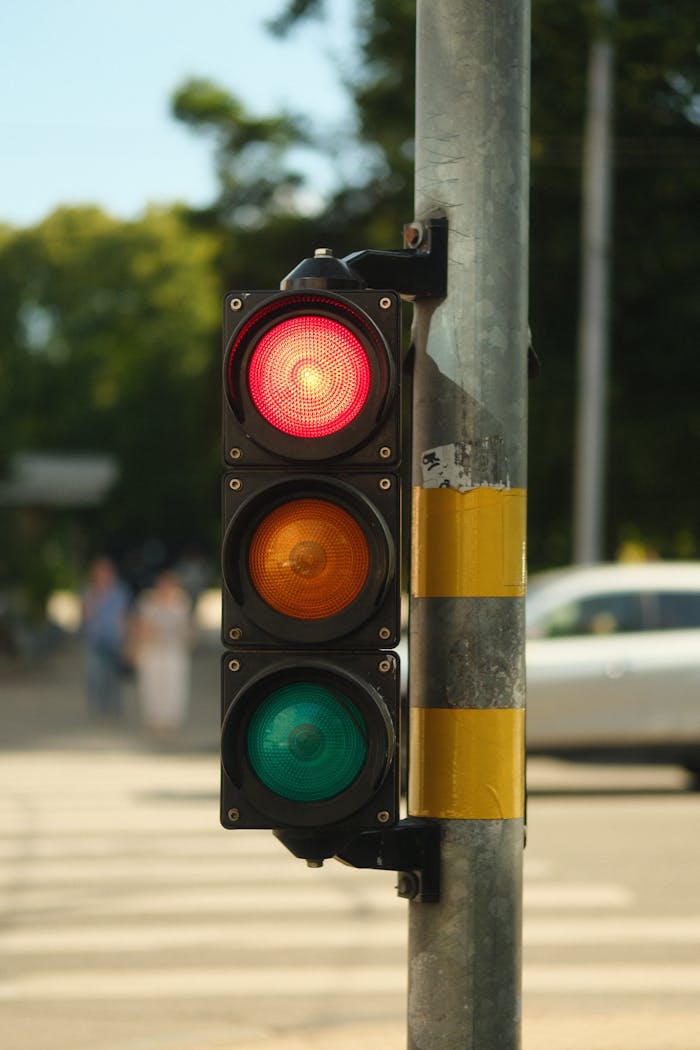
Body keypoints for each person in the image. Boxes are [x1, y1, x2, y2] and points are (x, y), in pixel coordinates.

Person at [131, 570, 193, 740]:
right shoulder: (147, 601)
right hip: (152, 650)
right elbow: (141, 626)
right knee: (151, 686)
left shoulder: (181, 602)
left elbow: (186, 629)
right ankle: (155, 719)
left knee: (174, 685)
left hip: (174, 650)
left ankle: (171, 720)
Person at [81, 557, 130, 718]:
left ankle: (114, 706)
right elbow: (85, 615)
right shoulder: (89, 591)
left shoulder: (119, 591)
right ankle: (97, 706)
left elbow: (123, 616)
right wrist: (96, 599)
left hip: (114, 639)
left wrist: (125, 640)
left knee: (113, 675)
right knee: (95, 675)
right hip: (94, 639)